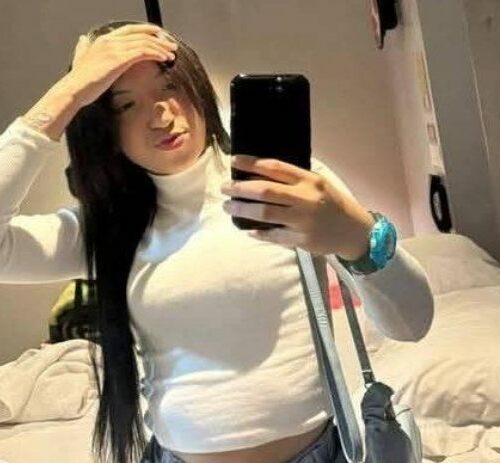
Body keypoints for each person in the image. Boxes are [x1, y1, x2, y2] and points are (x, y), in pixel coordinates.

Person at [0, 19, 434, 463]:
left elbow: (412, 323)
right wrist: (66, 94)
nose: (161, 115)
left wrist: (358, 235)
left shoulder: (284, 186)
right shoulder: (107, 228)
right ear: (102, 129)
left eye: (171, 86)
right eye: (125, 105)